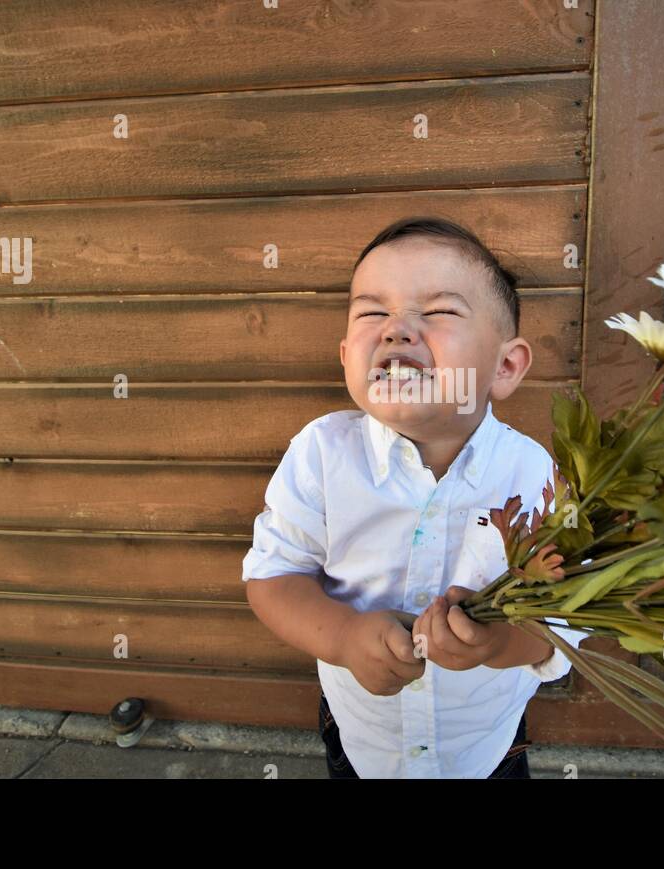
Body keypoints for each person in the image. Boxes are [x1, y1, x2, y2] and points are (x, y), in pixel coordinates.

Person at [242, 217, 588, 778]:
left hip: (484, 744)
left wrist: (497, 643)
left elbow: (567, 618)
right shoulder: (321, 454)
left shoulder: (535, 474)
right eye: (372, 312)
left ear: (504, 366)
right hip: (364, 736)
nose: (397, 330)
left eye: (438, 312)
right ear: (344, 355)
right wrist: (345, 637)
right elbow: (274, 577)